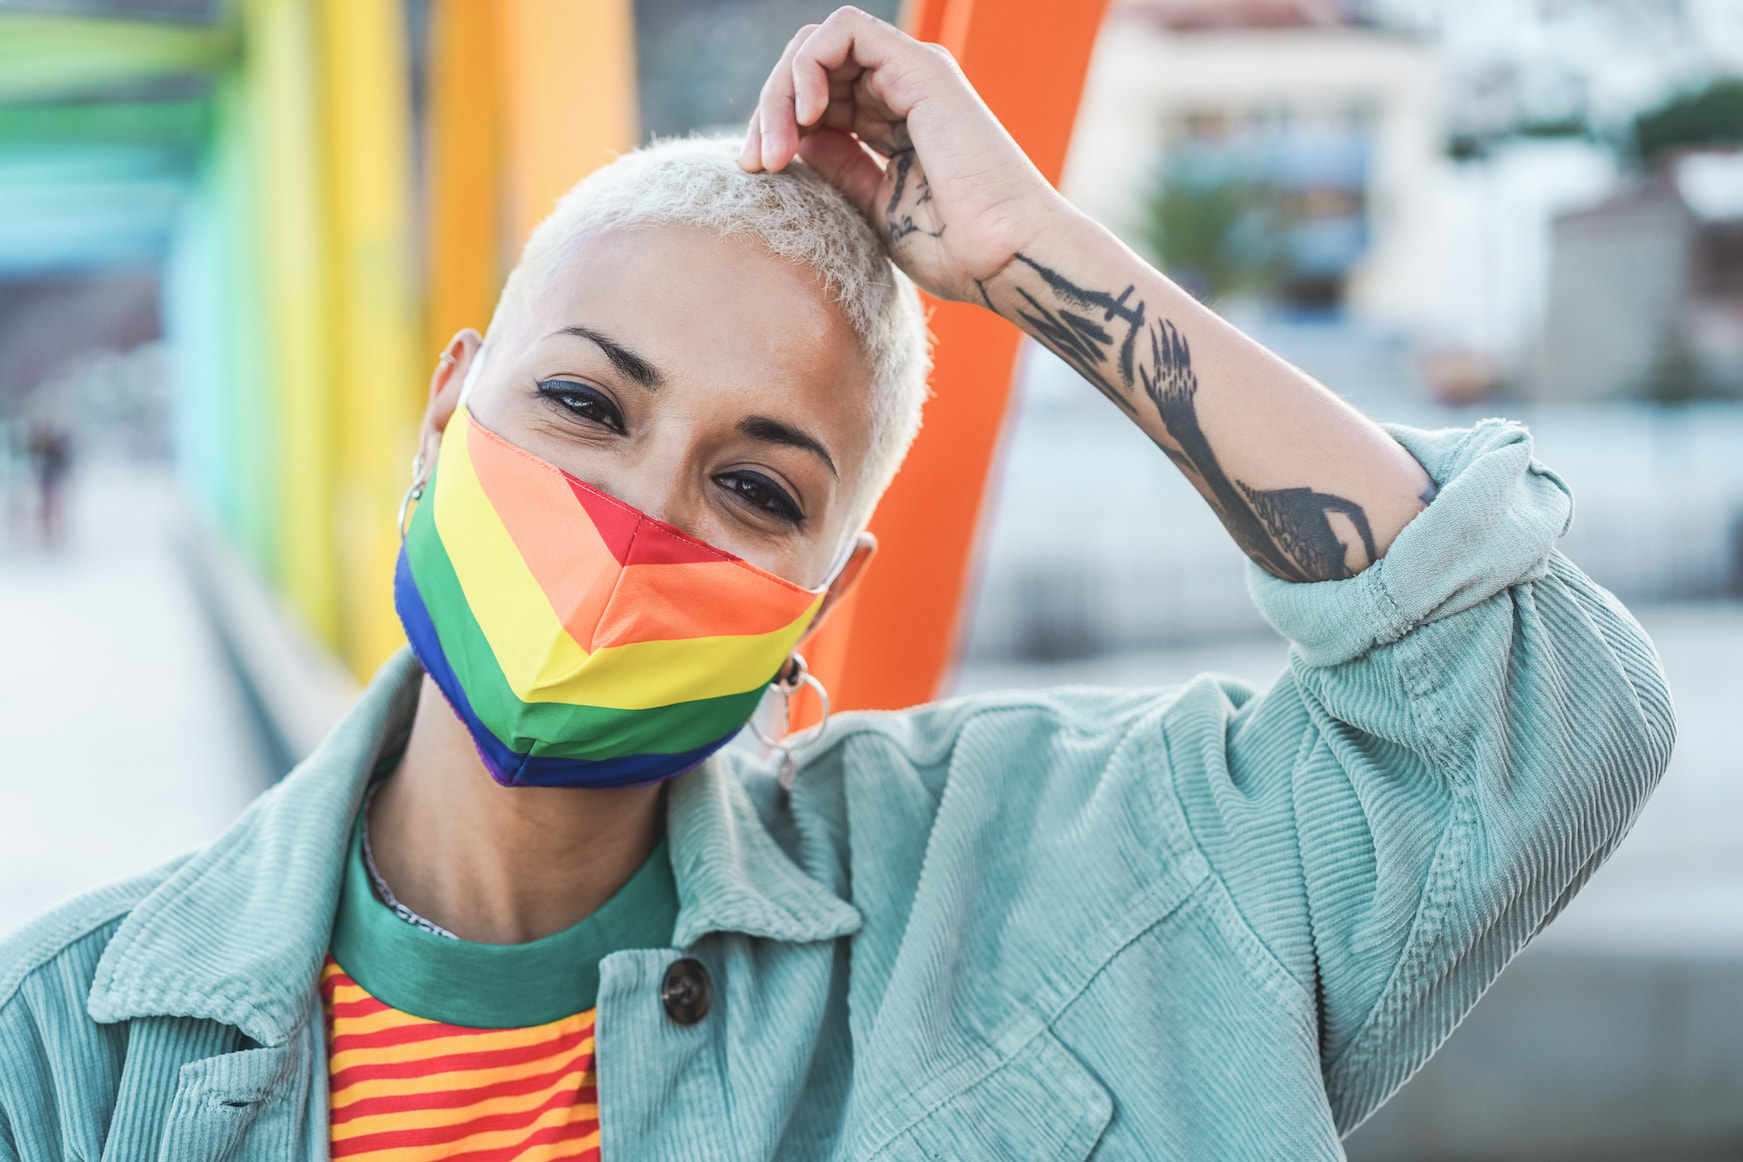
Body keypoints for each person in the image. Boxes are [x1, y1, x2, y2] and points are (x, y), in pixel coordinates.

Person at [0, 9, 1672, 1159]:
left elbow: (1526, 715)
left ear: (821, 592)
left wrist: (1035, 256)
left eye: (754, 486)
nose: (638, 517)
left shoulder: (1010, 886)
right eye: (585, 403)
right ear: (446, 410)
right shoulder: (73, 1042)